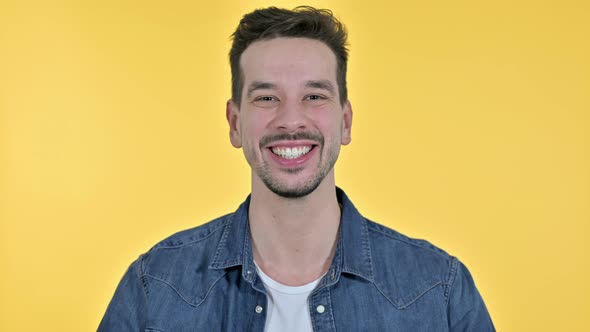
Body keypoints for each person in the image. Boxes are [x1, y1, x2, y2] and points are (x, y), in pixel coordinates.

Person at [99, 6, 495, 331]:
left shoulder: (439, 291)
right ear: (235, 123)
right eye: (267, 96)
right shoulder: (155, 286)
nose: (291, 120)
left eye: (314, 95)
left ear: (346, 121)